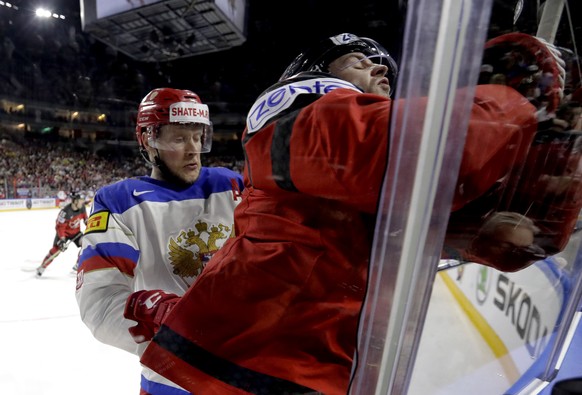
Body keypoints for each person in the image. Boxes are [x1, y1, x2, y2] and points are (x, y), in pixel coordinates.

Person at [138, 33, 566, 394]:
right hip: (228, 370)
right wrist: (512, 98)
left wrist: (551, 154)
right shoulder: (292, 105)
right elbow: (397, 154)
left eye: (385, 71)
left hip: (282, 369)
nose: (381, 71)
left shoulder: (362, 186)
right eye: (360, 61)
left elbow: (518, 240)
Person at [74, 88, 244, 395]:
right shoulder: (118, 202)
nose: (193, 149)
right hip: (171, 380)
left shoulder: (233, 184)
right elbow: (99, 304)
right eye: (179, 139)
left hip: (252, 372)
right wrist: (162, 322)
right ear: (149, 141)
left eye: (198, 137)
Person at [36, 192, 87, 277]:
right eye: (80, 200)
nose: (82, 202)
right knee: (55, 250)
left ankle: (78, 265)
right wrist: (62, 240)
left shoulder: (82, 208)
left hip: (76, 233)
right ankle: (42, 266)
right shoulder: (65, 212)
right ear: (75, 201)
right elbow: (60, 227)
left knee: (86, 243)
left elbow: (85, 218)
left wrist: (89, 225)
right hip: (64, 234)